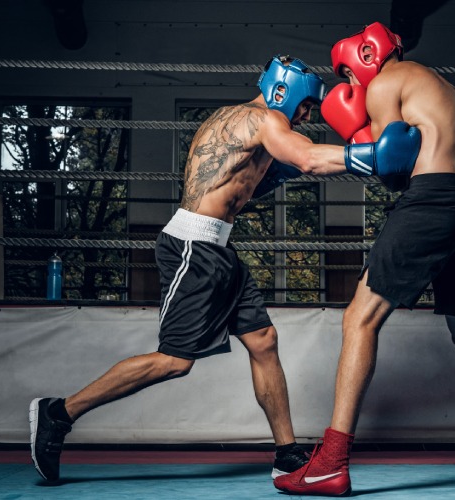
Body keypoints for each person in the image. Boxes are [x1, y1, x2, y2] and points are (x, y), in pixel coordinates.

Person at [29, 54, 420, 483]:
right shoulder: (264, 121)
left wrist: (272, 173)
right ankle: (59, 413)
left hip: (218, 249)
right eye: (305, 106)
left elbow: (231, 184)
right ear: (282, 91)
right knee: (175, 361)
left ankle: (287, 453)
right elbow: (308, 159)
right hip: (194, 246)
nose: (306, 116)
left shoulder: (233, 120)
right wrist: (371, 156)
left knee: (264, 341)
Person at [274, 23, 455, 496]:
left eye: (348, 74)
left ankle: (330, 463)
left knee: (359, 320)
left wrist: (357, 133)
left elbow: (393, 168)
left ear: (364, 56)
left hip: (434, 198)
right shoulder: (443, 87)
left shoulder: (385, 84)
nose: (353, 85)